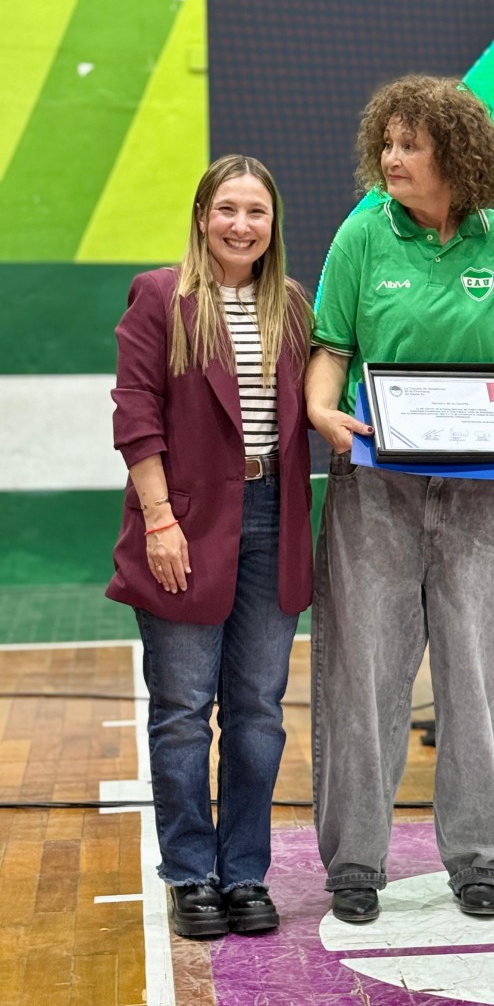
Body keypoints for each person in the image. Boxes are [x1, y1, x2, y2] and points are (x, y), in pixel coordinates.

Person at [308, 75, 494, 922]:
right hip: (374, 487)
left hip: (485, 493)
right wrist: (319, 410)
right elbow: (331, 352)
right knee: (363, 676)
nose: (390, 158)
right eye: (386, 142)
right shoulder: (359, 238)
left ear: (455, 155)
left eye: (409, 144)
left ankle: (483, 861)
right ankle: (353, 864)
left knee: (485, 677)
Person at [106, 155, 314, 939]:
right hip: (185, 524)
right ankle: (191, 874)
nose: (240, 225)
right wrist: (159, 521)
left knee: (259, 713)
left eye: (256, 212)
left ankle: (246, 873)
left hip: (271, 520)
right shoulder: (162, 296)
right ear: (201, 216)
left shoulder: (291, 305)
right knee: (185, 713)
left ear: (273, 225)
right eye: (227, 208)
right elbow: (136, 416)